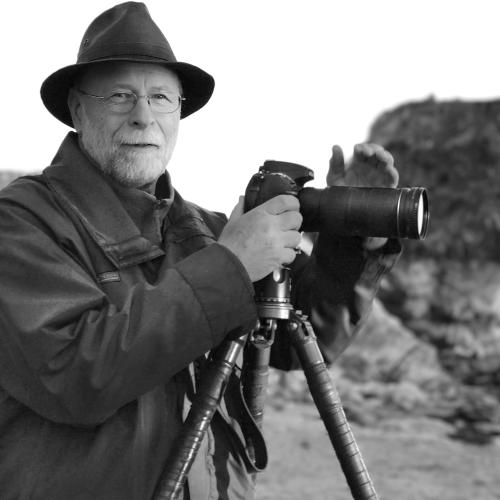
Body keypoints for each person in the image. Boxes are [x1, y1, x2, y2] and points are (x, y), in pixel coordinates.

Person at [0, 3, 400, 500]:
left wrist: (351, 237)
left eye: (161, 97)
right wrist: (230, 267)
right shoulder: (21, 222)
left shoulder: (205, 231)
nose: (143, 116)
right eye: (120, 96)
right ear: (78, 110)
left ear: (179, 113)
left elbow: (303, 334)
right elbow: (75, 373)